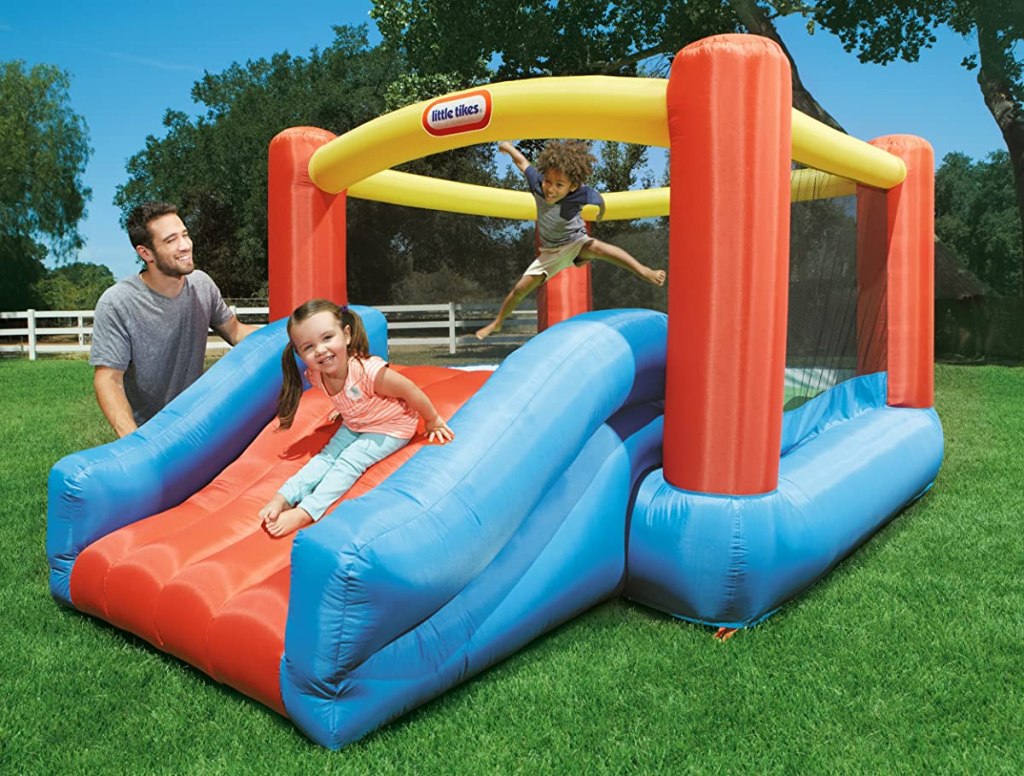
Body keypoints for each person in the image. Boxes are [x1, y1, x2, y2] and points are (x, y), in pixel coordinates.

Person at [259, 299, 455, 538]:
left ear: (347, 335)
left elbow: (409, 390)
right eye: (308, 347)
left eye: (327, 338)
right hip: (357, 422)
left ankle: (307, 511)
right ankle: (285, 497)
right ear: (299, 353)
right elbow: (350, 395)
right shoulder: (317, 375)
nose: (320, 350)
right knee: (324, 458)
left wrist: (432, 419)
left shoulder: (368, 371)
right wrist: (346, 409)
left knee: (348, 462)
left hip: (391, 426)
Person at [90, 201, 256, 437]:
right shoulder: (118, 302)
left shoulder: (202, 285)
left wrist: (289, 335)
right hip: (152, 433)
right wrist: (134, 442)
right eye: (171, 240)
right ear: (145, 253)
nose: (185, 245)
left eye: (185, 235)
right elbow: (109, 380)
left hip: (199, 422)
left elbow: (236, 331)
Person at [476, 140, 667, 340]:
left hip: (575, 242)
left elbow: (598, 200)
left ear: (572, 186)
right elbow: (522, 163)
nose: (550, 189)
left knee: (600, 249)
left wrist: (601, 211)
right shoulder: (537, 185)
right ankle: (497, 323)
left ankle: (644, 270)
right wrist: (507, 148)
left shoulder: (580, 194)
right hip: (550, 253)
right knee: (519, 290)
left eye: (559, 185)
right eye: (548, 181)